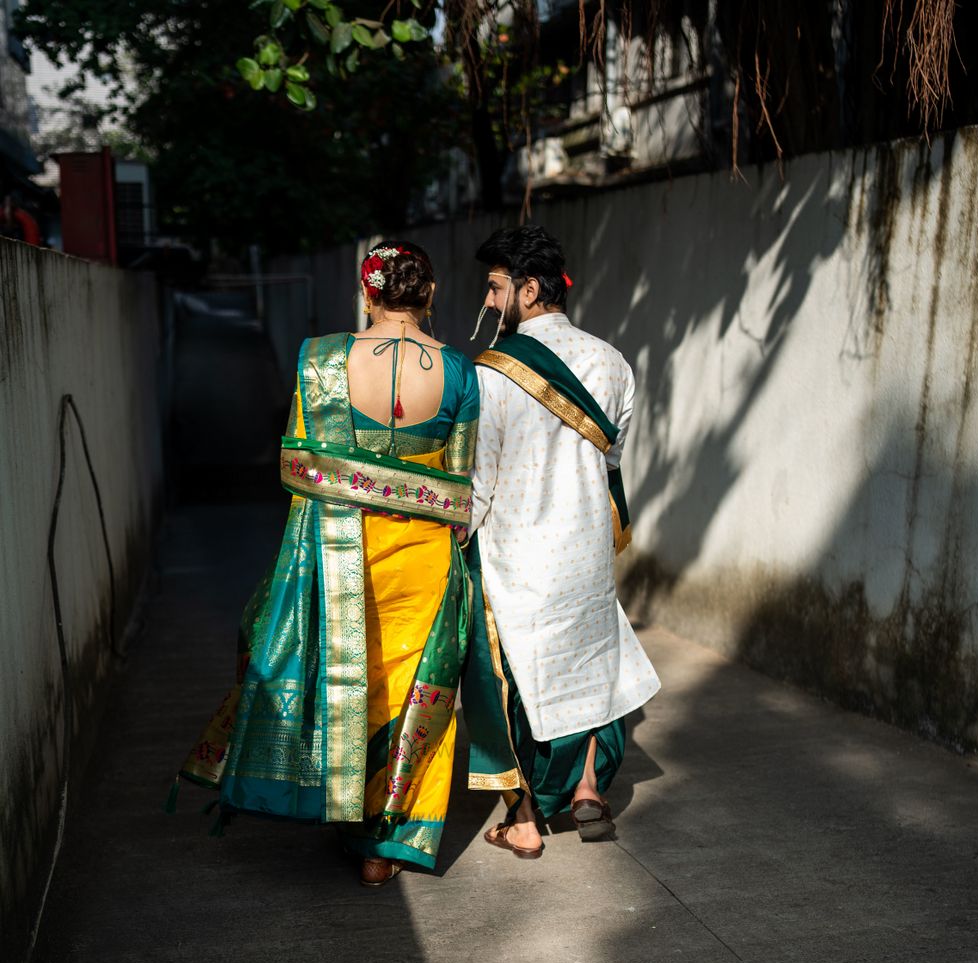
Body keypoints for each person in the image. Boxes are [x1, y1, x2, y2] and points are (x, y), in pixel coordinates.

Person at [172, 241, 479, 886]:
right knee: (419, 689)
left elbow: (296, 467)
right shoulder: (458, 370)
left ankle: (339, 805)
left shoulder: (320, 360)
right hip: (424, 558)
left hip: (344, 549)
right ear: (431, 292)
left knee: (351, 681)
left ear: (366, 292)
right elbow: (459, 483)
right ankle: (386, 844)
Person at [462, 223, 660, 858]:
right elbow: (611, 461)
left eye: (495, 288)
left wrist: (451, 536)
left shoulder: (491, 373)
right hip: (585, 550)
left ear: (528, 288)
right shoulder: (612, 361)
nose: (489, 303)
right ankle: (588, 789)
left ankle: (522, 823)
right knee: (593, 668)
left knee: (515, 682)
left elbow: (481, 480)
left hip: (518, 554)